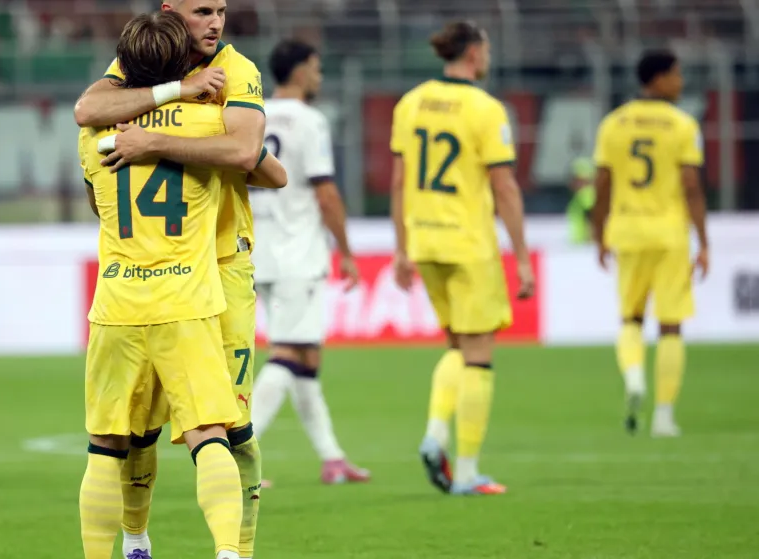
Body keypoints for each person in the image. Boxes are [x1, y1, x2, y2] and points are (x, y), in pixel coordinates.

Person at [74, 2, 286, 558]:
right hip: (189, 289)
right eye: (202, 11)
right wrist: (183, 104)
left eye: (221, 10)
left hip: (134, 291)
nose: (215, 22)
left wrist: (148, 139)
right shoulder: (204, 117)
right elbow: (264, 166)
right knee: (208, 430)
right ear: (172, 15)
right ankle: (189, 547)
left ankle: (140, 545)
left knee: (116, 438)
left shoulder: (99, 136)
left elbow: (90, 124)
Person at [390, 20, 535, 496]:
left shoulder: (410, 103)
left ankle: (436, 434)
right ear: (473, 53)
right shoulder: (486, 109)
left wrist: (401, 248)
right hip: (468, 243)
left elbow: (398, 181)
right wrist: (522, 257)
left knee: (457, 346)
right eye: (486, 49)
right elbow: (504, 186)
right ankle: (468, 471)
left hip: (426, 241)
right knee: (479, 357)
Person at [248, 39, 369, 487]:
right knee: (287, 352)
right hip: (296, 251)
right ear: (299, 71)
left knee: (306, 354)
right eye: (315, 68)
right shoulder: (309, 120)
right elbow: (326, 193)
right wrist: (347, 251)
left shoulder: (253, 114)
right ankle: (239, 457)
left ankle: (332, 459)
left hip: (258, 248)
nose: (319, 76)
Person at [591, 49, 707, 437]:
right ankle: (664, 415)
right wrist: (704, 241)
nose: (680, 82)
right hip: (670, 233)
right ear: (658, 78)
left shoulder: (614, 123)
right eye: (676, 74)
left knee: (630, 318)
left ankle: (635, 376)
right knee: (670, 326)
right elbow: (691, 186)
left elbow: (602, 184)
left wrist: (599, 234)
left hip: (627, 230)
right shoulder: (682, 125)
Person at [566, 157, 596, 245]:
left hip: (586, 244)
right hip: (581, 244)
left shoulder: (586, 195)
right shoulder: (581, 195)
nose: (572, 181)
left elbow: (593, 217)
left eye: (575, 178)